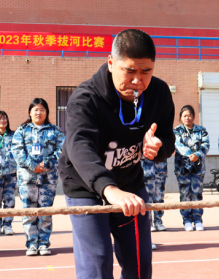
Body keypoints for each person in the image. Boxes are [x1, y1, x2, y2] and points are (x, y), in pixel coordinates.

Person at [59, 29, 175, 279]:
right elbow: (79, 146)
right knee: (98, 264)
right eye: (130, 71)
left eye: (146, 71)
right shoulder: (85, 98)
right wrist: (109, 190)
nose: (138, 81)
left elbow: (168, 138)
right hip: (86, 187)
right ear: (111, 63)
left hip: (129, 184)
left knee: (139, 266)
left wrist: (158, 148)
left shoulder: (159, 93)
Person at [11, 99, 64, 256]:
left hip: (48, 179)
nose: (38, 113)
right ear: (30, 112)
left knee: (45, 212)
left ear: (46, 112)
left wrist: (47, 164)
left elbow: (62, 150)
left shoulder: (55, 130)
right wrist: (31, 165)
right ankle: (32, 244)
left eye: (42, 110)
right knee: (29, 212)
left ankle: (44, 243)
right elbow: (16, 150)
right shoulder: (22, 129)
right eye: (35, 110)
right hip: (27, 179)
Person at [173, 105, 210, 231]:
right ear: (181, 118)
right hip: (182, 168)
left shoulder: (201, 130)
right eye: (184, 116)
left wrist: (198, 155)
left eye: (189, 115)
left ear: (193, 116)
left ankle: (198, 219)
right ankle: (187, 220)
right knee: (185, 194)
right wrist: (190, 154)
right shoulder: (177, 130)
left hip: (198, 168)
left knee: (197, 193)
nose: (187, 118)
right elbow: (178, 145)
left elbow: (206, 145)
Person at [141, 141, 168, 233]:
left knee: (159, 196)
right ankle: (148, 223)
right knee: (146, 198)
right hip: (146, 171)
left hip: (160, 169)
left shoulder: (162, 132)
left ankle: (158, 221)